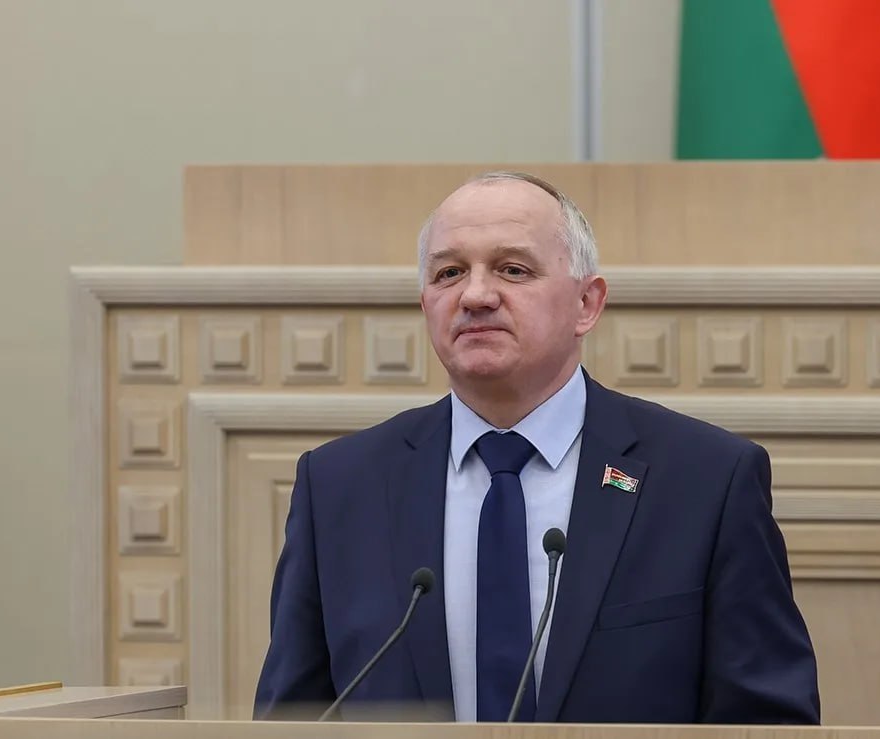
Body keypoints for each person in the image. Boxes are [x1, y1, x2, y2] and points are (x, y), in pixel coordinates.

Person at [253, 171, 820, 724]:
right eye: (449, 272)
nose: (476, 295)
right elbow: (293, 718)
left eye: (513, 269)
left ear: (586, 304)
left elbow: (767, 721)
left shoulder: (706, 481)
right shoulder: (339, 487)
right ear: (425, 303)